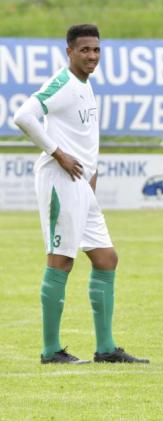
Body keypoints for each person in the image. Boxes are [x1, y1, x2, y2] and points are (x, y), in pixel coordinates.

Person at [12, 24, 148, 364]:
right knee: (61, 259)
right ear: (69, 51)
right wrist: (58, 153)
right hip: (60, 180)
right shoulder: (63, 83)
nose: (92, 56)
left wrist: (92, 175)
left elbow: (84, 136)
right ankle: (50, 350)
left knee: (106, 258)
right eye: (85, 49)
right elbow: (23, 116)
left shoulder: (86, 86)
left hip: (82, 185)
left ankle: (105, 349)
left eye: (97, 50)